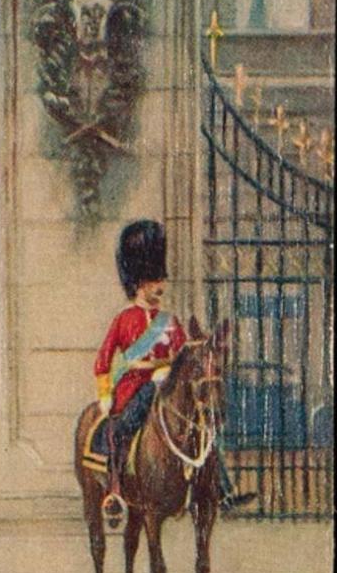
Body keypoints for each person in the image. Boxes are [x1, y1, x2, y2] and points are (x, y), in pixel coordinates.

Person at [91, 219, 254, 524]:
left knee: (204, 430)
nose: (160, 285)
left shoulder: (169, 321)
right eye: (155, 280)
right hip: (135, 386)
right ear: (139, 282)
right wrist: (104, 394)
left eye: (160, 278)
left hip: (167, 386)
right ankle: (115, 491)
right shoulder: (124, 320)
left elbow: (184, 354)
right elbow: (103, 361)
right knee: (123, 427)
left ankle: (222, 490)